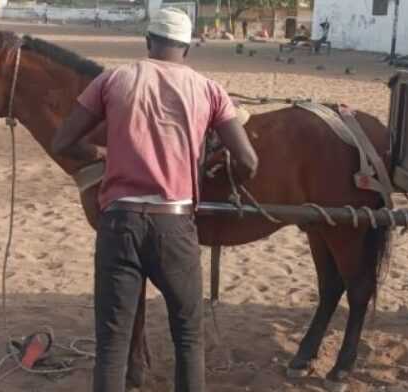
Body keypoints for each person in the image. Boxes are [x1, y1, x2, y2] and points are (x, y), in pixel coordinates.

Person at [51, 7, 258, 392]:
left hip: (118, 223)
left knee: (112, 345)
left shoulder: (114, 79)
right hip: (174, 226)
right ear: (187, 48)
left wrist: (103, 155)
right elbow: (248, 160)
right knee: (188, 337)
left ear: (148, 42)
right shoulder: (210, 89)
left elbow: (62, 141)